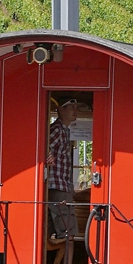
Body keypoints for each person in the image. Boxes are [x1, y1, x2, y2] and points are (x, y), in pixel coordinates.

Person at [46, 99, 79, 243]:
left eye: (76, 107)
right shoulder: (57, 130)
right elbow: (43, 148)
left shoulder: (65, 130)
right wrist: (48, 159)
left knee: (65, 233)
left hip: (62, 186)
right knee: (68, 235)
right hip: (57, 186)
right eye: (72, 107)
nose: (75, 111)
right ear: (60, 109)